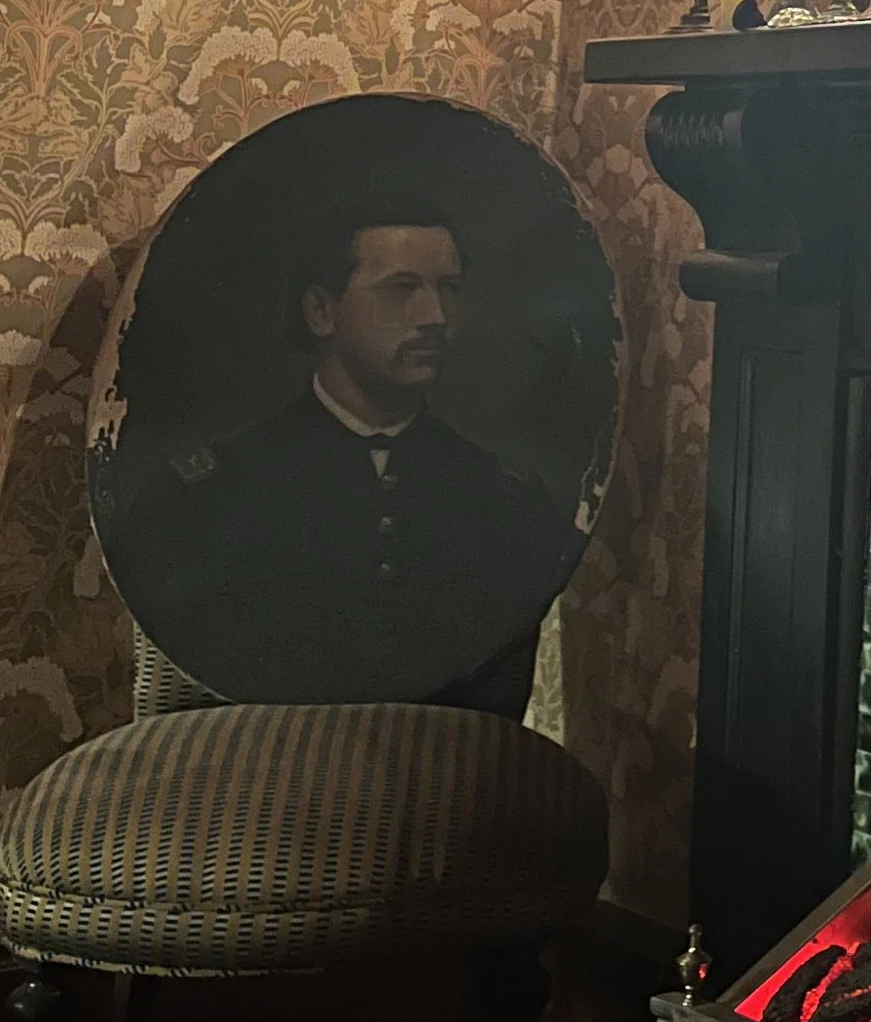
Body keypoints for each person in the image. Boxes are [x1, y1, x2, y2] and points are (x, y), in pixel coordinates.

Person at [103, 189, 580, 710]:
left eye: (450, 289)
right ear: (322, 311)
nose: (435, 316)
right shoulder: (201, 498)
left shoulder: (509, 503)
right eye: (400, 291)